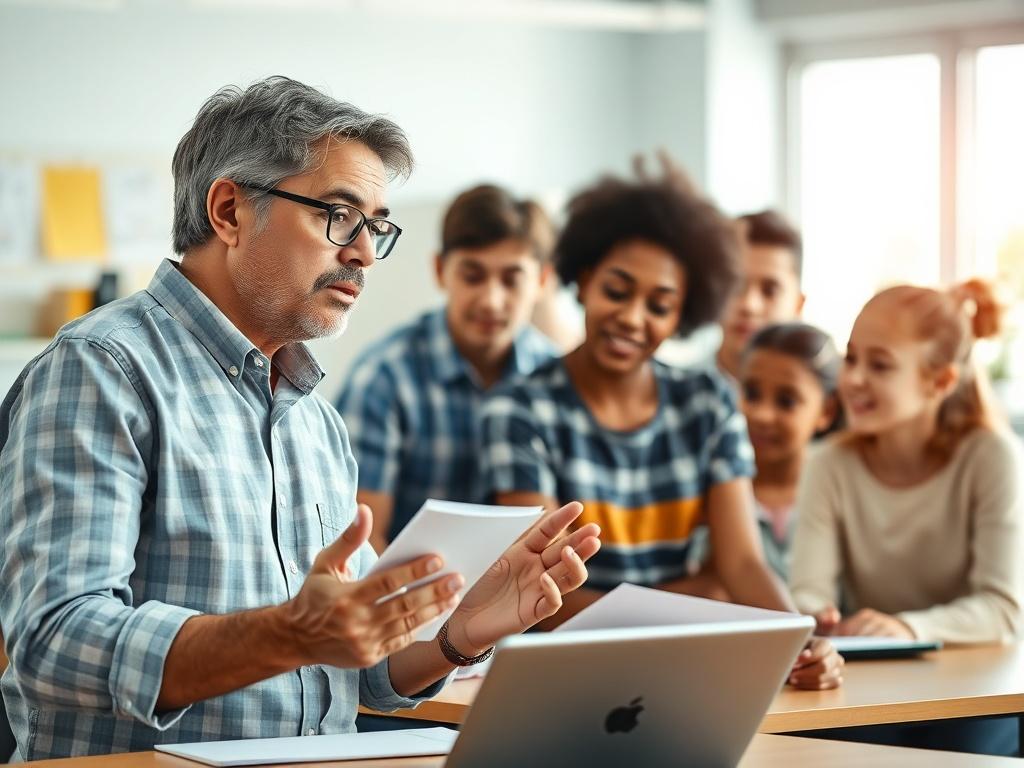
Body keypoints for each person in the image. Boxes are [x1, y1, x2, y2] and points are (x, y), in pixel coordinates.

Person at [0, 77, 600, 761]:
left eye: (376, 227)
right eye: (338, 216)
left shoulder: (315, 418)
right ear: (229, 211)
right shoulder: (103, 371)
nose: (365, 253)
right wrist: (289, 634)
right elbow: (55, 639)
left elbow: (360, 669)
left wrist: (462, 629)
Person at [479, 164, 842, 689]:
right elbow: (539, 593)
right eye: (617, 290)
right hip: (564, 675)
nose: (632, 318)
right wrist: (700, 596)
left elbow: (741, 564)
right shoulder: (519, 409)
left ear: (684, 315)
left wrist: (799, 642)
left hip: (684, 669)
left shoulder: (708, 401)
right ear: (583, 281)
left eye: (660, 305)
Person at [789, 279, 1022, 644]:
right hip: (879, 679)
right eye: (850, 358)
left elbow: (1003, 610)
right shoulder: (827, 465)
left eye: (879, 365)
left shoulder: (991, 458)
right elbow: (807, 593)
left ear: (941, 382)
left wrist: (910, 628)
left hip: (979, 684)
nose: (853, 379)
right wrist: (816, 617)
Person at [336, 185, 557, 551]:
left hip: (521, 594)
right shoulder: (383, 378)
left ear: (542, 282)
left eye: (511, 279)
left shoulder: (554, 374)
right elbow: (360, 539)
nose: (491, 300)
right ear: (440, 271)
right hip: (406, 593)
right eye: (473, 276)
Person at [688, 322, 842, 580]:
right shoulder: (708, 486)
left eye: (787, 401)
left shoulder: (840, 485)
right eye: (751, 394)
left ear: (826, 411)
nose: (761, 415)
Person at [715, 210, 806, 382]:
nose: (749, 305)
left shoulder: (832, 401)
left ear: (798, 304)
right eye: (736, 286)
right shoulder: (671, 393)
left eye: (770, 290)